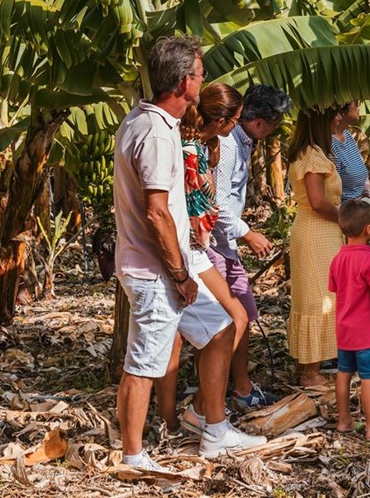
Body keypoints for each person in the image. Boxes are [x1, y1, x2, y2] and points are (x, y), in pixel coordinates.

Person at [113, 36, 265, 468]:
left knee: (220, 330)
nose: (203, 80)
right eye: (199, 74)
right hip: (157, 267)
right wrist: (179, 274)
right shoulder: (158, 134)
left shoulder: (148, 123)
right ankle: (133, 455)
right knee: (143, 362)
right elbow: (157, 211)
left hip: (177, 259)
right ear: (184, 82)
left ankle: (214, 429)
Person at [154, 83, 252, 436]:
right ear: (222, 119)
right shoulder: (186, 148)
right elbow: (193, 207)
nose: (237, 126)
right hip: (183, 249)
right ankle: (171, 422)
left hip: (198, 249)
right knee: (173, 339)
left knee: (237, 316)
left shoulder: (208, 146)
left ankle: (201, 410)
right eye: (235, 119)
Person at [209, 84, 292, 409]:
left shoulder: (242, 143)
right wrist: (248, 233)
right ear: (261, 123)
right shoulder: (228, 145)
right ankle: (213, 399)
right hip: (216, 245)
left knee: (244, 314)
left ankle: (241, 388)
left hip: (225, 246)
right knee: (233, 318)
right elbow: (216, 202)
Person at [287, 107, 344, 387]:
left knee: (316, 296)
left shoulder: (311, 152)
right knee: (316, 299)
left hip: (317, 232)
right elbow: (318, 200)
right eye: (333, 115)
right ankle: (310, 372)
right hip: (316, 232)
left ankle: (307, 364)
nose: (337, 119)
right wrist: (346, 217)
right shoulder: (312, 155)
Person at [329, 199, 370, 441]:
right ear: (369, 229)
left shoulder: (337, 259)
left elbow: (336, 289)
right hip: (366, 333)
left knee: (343, 373)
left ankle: (344, 420)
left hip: (344, 330)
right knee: (368, 378)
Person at [332, 100, 370, 204]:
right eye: (356, 103)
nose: (359, 105)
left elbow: (363, 174)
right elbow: (331, 191)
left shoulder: (348, 136)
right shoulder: (330, 145)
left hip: (357, 208)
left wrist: (367, 193)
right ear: (342, 111)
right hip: (343, 213)